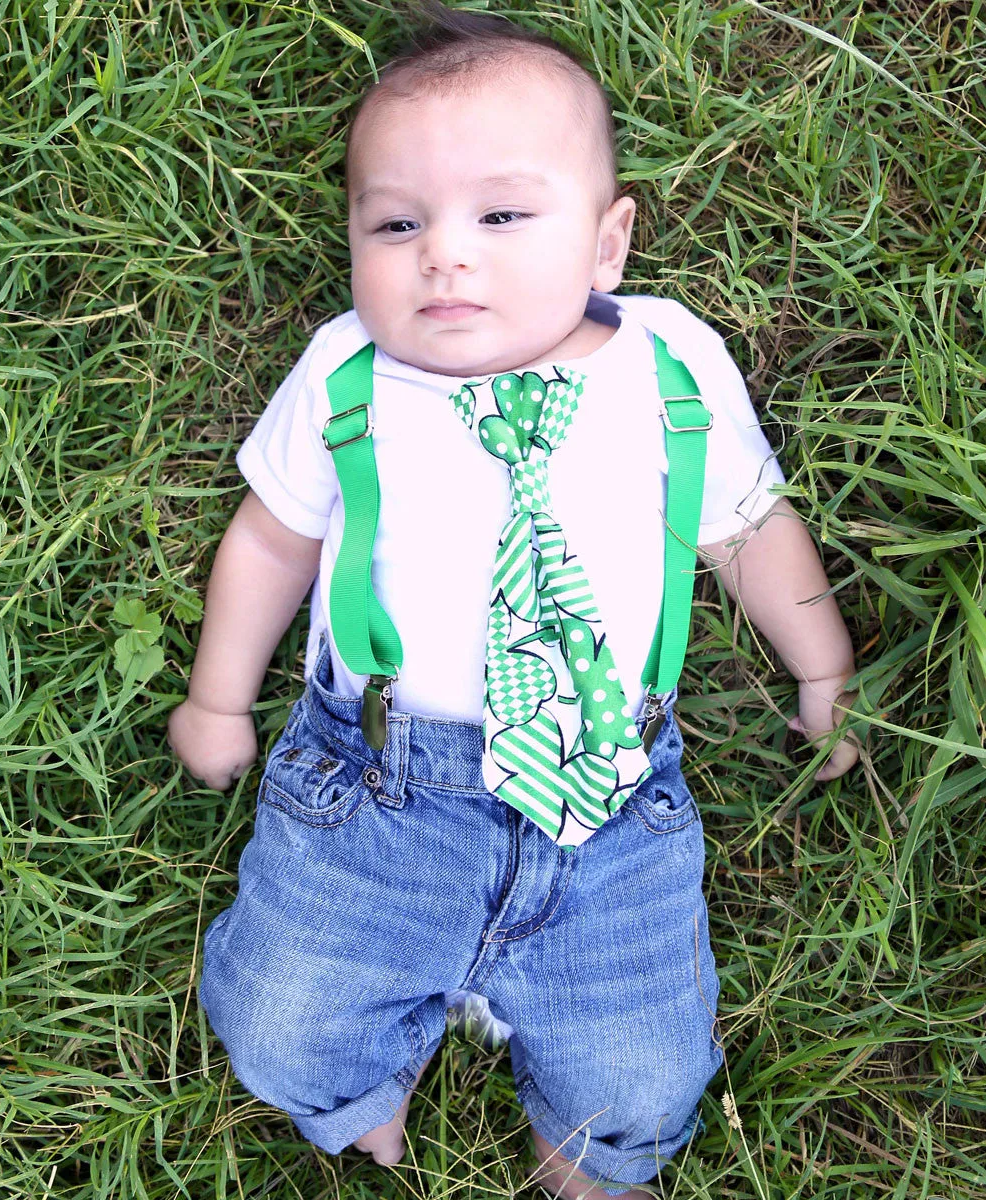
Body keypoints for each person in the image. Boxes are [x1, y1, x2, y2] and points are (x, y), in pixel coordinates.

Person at [167, 4, 858, 1196]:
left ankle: (585, 1148)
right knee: (279, 1019)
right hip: (375, 790)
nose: (443, 252)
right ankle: (354, 1089)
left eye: (500, 214)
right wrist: (217, 701)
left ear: (607, 241)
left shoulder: (665, 363)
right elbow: (272, 542)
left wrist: (821, 668)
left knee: (646, 1071)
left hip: (612, 796)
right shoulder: (347, 372)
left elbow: (745, 528)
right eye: (395, 222)